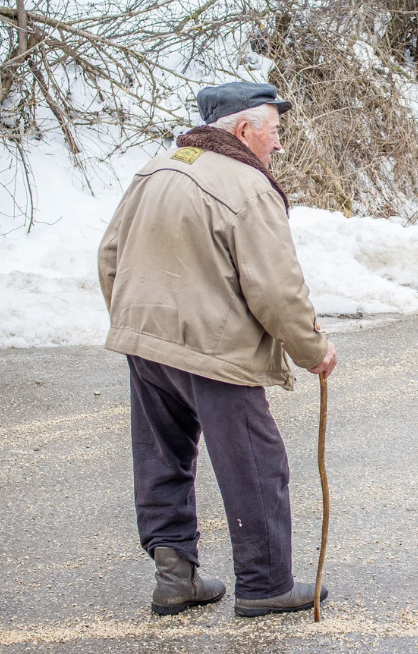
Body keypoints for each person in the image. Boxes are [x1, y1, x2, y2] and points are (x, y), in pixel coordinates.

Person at [98, 81, 337, 617]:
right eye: (274, 132)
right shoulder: (247, 187)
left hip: (146, 339)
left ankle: (175, 576)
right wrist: (312, 349)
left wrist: (133, 320)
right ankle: (266, 584)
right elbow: (277, 289)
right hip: (212, 348)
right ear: (245, 128)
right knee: (257, 463)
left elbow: (109, 254)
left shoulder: (155, 169)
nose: (278, 146)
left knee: (162, 457)